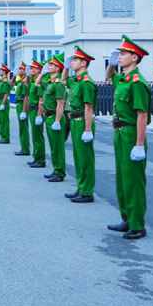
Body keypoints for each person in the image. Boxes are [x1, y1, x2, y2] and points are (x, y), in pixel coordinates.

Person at [105, 35, 151, 240]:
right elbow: (109, 76)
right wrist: (111, 63)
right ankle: (127, 218)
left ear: (134, 57)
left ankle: (138, 225)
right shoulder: (123, 80)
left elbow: (142, 115)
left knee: (133, 181)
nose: (119, 56)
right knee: (123, 179)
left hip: (131, 134)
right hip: (119, 133)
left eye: (123, 54)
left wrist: (139, 144)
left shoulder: (137, 83)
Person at [63, 47, 97, 203]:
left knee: (85, 159)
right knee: (78, 158)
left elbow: (89, 107)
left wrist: (88, 130)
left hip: (83, 121)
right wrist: (65, 67)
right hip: (75, 121)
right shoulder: (76, 80)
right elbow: (64, 81)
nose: (72, 62)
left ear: (84, 63)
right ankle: (81, 188)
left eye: (75, 60)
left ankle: (87, 192)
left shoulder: (86, 82)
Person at [36, 55, 67, 182]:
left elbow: (60, 103)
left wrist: (57, 121)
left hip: (55, 116)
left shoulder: (58, 84)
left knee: (58, 147)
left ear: (57, 68)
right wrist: (42, 74)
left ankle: (60, 172)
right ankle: (56, 170)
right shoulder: (50, 83)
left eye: (52, 65)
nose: (49, 66)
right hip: (49, 117)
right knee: (53, 147)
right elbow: (37, 83)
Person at [27, 59, 46, 168]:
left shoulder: (39, 83)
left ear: (39, 70)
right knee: (35, 136)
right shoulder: (33, 81)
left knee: (38, 136)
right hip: (32, 110)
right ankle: (36, 157)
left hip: (36, 110)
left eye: (33, 68)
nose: (30, 70)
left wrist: (39, 115)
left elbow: (41, 100)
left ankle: (40, 159)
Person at [13, 64, 31, 156]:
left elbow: (26, 97)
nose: (19, 70)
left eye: (21, 69)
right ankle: (23, 148)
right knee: (21, 127)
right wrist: (14, 75)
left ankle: (25, 149)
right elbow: (12, 84)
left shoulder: (25, 82)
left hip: (22, 105)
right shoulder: (20, 80)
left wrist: (24, 111)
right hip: (19, 104)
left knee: (23, 128)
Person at [0, 65, 12, 144]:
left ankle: (5, 138)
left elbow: (6, 93)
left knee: (4, 121)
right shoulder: (1, 80)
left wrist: (3, 104)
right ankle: (2, 137)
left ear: (4, 72)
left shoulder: (5, 81)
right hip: (0, 100)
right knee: (1, 120)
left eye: (1, 70)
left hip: (3, 101)